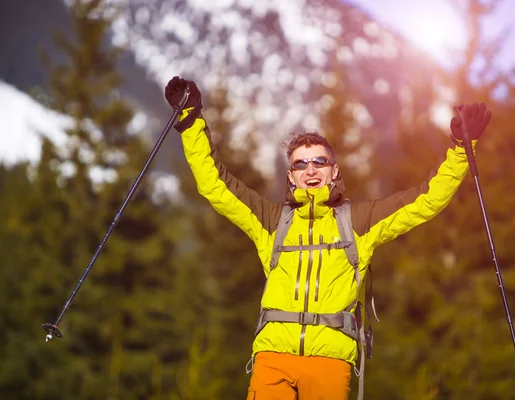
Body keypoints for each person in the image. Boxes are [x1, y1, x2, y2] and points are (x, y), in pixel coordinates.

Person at [164, 76, 491, 400]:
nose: (310, 170)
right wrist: (190, 120)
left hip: (331, 362)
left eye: (319, 161)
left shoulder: (360, 222)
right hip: (272, 359)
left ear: (334, 170)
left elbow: (427, 199)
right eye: (300, 164)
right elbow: (214, 184)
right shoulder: (271, 221)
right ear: (291, 176)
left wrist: (462, 150)